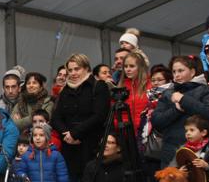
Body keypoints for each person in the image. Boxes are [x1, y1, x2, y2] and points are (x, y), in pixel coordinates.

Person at [51, 53, 110, 181]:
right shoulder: (65, 90)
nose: (73, 73)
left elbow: (99, 116)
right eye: (70, 70)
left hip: (91, 145)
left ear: (86, 68)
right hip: (69, 146)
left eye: (77, 69)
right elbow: (55, 118)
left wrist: (75, 134)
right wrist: (67, 134)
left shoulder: (98, 86)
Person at [151, 55, 209, 167]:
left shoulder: (205, 90)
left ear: (192, 72)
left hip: (197, 152)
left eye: (181, 71)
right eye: (174, 71)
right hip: (170, 150)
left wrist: (183, 100)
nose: (177, 75)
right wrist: (176, 110)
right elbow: (156, 121)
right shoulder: (168, 93)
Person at [117, 51, 151, 132]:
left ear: (140, 67)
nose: (128, 69)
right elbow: (116, 113)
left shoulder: (150, 84)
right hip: (125, 133)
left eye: (132, 66)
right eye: (125, 66)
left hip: (146, 133)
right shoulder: (121, 86)